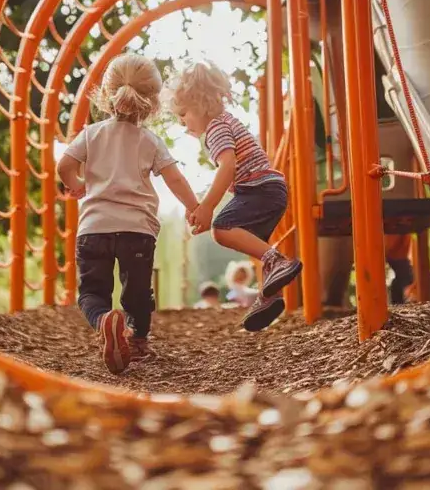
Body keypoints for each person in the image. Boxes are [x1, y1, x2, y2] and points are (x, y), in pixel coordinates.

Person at [58, 54, 199, 374]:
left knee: (92, 293)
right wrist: (195, 208)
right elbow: (174, 179)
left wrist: (77, 185)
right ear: (152, 102)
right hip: (137, 229)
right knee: (137, 293)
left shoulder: (91, 133)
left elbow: (64, 166)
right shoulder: (150, 140)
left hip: (93, 229)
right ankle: (136, 340)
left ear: (107, 95)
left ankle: (105, 321)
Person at [165, 60, 302, 332]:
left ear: (199, 103)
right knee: (251, 241)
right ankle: (268, 297)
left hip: (258, 188)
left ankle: (278, 261)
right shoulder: (227, 121)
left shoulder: (214, 129)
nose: (183, 123)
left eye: (183, 114)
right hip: (270, 189)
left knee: (222, 228)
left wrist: (207, 207)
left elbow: (228, 166)